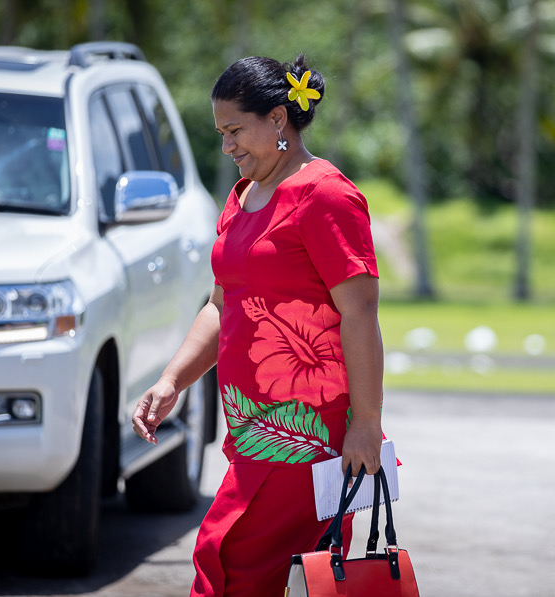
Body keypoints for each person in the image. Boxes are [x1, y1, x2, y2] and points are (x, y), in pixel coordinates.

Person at [131, 54, 385, 597]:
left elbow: (360, 312)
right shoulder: (243, 197)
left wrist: (366, 422)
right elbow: (221, 304)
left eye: (235, 131)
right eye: (221, 133)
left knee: (226, 558)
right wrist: (172, 380)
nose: (228, 147)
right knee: (261, 574)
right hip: (252, 431)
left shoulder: (327, 196)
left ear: (277, 119)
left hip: (308, 437)